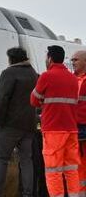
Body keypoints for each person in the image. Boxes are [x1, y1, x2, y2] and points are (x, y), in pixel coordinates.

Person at [0, 47, 39, 197]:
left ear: (11, 59)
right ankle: (28, 193)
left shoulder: (8, 73)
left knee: (1, 159)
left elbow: (1, 99)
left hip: (10, 125)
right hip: (29, 125)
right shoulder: (33, 74)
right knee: (26, 161)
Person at [30, 45, 80, 197]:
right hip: (71, 128)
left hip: (53, 130)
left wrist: (44, 101)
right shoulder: (73, 78)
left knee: (53, 170)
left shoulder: (46, 76)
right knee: (71, 168)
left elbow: (33, 100)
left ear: (50, 58)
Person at [72, 50, 86, 190]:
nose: (73, 62)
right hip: (73, 127)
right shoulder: (71, 79)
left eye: (76, 59)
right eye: (72, 60)